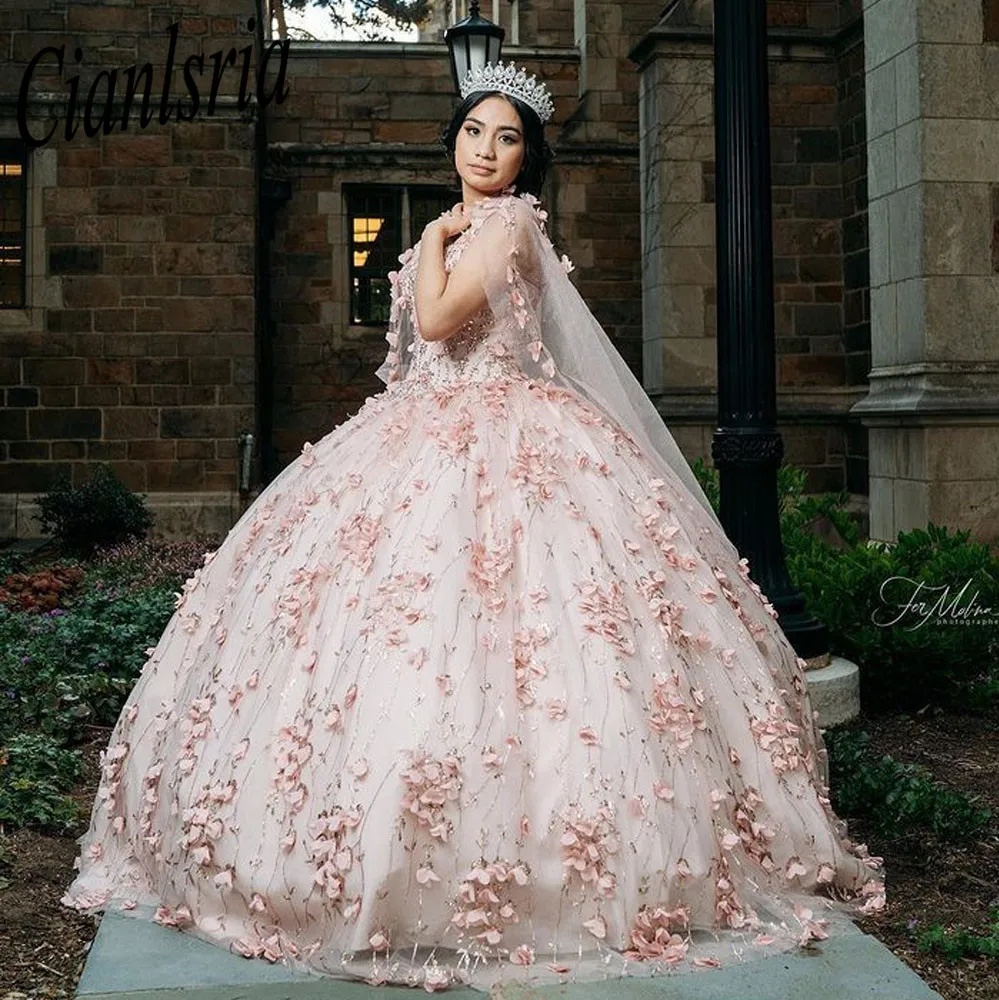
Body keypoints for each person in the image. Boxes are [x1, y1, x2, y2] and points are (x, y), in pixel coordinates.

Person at [62, 61, 886, 992]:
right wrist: (435, 238)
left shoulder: (508, 224)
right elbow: (420, 361)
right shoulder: (468, 225)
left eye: (507, 139)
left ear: (529, 159)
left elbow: (444, 319)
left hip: (513, 434)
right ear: (452, 141)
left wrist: (430, 241)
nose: (487, 151)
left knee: (532, 635)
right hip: (427, 432)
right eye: (473, 133)